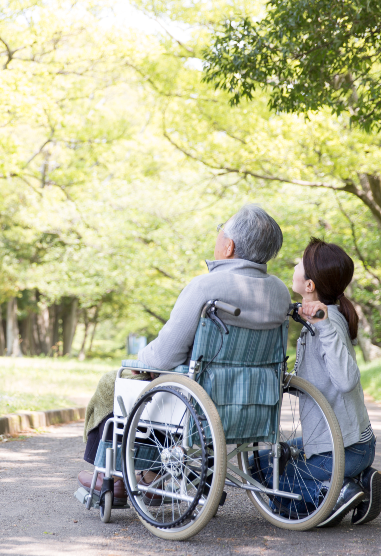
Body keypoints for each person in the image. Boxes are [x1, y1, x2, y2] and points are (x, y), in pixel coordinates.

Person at [78, 204, 291, 502]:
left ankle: (108, 476)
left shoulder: (207, 285)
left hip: (200, 398)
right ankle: (150, 475)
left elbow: (163, 356)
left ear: (228, 246)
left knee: (119, 382)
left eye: (221, 232)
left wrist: (142, 363)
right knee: (173, 384)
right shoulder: (280, 292)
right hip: (254, 399)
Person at [277, 237, 381, 526]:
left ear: (309, 285)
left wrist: (322, 325)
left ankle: (340, 490)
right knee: (260, 465)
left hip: (346, 447)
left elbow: (346, 380)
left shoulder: (328, 322)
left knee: (277, 491)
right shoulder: (320, 318)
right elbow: (311, 382)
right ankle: (357, 480)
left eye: (300, 262)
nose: (296, 266)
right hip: (343, 444)